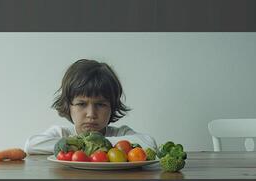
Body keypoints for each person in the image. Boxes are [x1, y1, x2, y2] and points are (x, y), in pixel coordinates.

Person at [24, 59, 157, 155]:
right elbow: (31, 145)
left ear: (112, 107)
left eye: (100, 104)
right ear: (68, 106)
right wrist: (85, 144)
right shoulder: (62, 133)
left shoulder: (120, 133)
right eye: (81, 104)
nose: (91, 114)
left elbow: (149, 143)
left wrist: (98, 143)